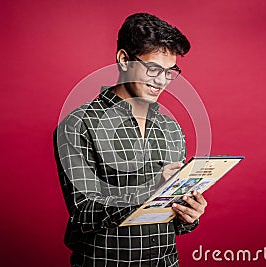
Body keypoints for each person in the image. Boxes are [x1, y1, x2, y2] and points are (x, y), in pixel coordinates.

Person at [53, 13, 207, 267]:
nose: (162, 81)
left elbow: (172, 221)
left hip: (165, 262)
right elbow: (84, 211)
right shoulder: (78, 123)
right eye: (153, 69)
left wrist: (188, 214)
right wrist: (155, 186)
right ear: (124, 59)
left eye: (170, 72)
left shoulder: (171, 128)